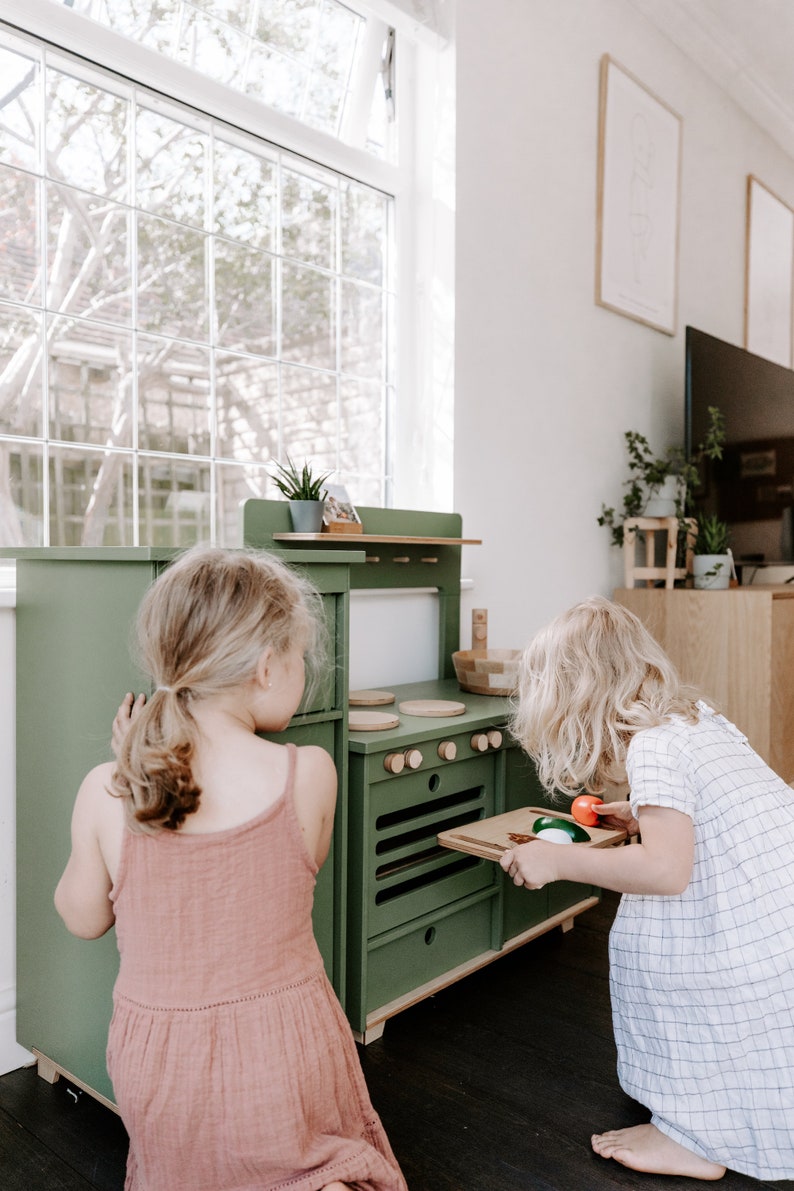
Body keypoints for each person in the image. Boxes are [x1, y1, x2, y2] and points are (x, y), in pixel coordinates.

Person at [54, 544, 407, 1191]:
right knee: (303, 1167)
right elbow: (290, 875)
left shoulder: (106, 790)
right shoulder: (308, 775)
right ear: (268, 667)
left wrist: (127, 770)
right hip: (284, 1047)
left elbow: (83, 917)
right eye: (301, 656)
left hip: (162, 1066)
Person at [500, 595, 794, 1183]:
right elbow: (714, 806)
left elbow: (665, 871)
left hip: (738, 939)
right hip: (775, 913)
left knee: (645, 949)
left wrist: (558, 864)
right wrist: (640, 815)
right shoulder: (693, 717)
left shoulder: (651, 746)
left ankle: (694, 1138)